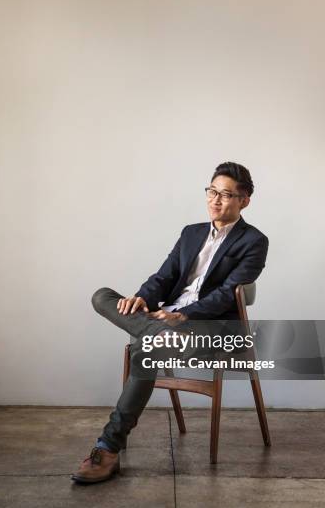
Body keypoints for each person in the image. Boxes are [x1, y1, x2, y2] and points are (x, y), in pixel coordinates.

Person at [71, 162, 269, 483]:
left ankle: (107, 448)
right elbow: (164, 277)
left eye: (226, 195)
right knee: (102, 296)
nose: (215, 200)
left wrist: (184, 315)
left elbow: (224, 296)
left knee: (144, 351)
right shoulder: (191, 233)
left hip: (208, 329)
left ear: (244, 201)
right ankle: (157, 333)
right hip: (166, 322)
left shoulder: (254, 241)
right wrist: (141, 300)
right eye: (212, 191)